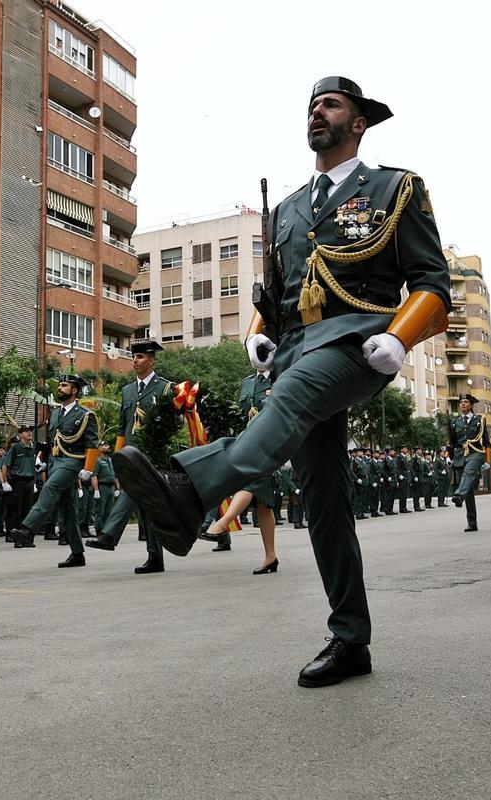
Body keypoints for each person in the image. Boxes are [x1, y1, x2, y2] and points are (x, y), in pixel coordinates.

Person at [112, 77, 450, 687]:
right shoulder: (290, 206)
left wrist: (400, 337)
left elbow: (432, 281)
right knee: (324, 500)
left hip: (358, 343)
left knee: (291, 402)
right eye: (313, 106)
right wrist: (257, 332)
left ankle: (188, 491)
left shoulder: (396, 188)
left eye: (331, 105)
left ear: (359, 123)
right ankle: (351, 640)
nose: (317, 114)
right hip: (296, 348)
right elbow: (279, 293)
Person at [84, 340, 173, 574]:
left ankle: (109, 534)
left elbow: (175, 423)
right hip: (131, 454)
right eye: (134, 357)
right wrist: (118, 457)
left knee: (133, 491)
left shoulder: (165, 388)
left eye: (141, 357)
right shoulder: (128, 391)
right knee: (148, 507)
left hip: (152, 454)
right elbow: (123, 428)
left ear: (152, 361)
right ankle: (155, 558)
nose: (135, 360)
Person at [10, 375, 99, 569]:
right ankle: (77, 554)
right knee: (68, 511)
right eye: (59, 385)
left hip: (73, 462)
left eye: (64, 385)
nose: (60, 388)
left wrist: (89, 469)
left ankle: (28, 529)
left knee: (49, 488)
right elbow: (51, 441)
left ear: (74, 390)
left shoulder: (85, 415)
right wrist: (42, 460)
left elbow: (93, 444)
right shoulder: (55, 414)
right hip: (55, 462)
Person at [200, 368, 281, 572]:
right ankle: (270, 557)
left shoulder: (280, 377)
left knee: (250, 482)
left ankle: (222, 523)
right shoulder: (247, 383)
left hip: (271, 441)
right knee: (264, 505)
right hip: (249, 439)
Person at [449, 393, 491, 532]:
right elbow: (453, 442)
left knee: (468, 474)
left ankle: (458, 495)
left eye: (466, 402)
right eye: (461, 402)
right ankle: (472, 523)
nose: (462, 404)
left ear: (471, 405)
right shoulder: (455, 422)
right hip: (460, 455)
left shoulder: (480, 421)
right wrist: (450, 457)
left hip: (475, 453)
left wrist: (488, 460)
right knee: (468, 491)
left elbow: (486, 442)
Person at [0, 427, 38, 537]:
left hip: (30, 481)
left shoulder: (33, 447)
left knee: (27, 510)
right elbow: (5, 466)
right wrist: (5, 482)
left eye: (30, 430)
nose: (29, 432)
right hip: (18, 481)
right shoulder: (16, 448)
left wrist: (34, 482)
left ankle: (24, 535)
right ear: (21, 435)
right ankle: (14, 535)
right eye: (26, 431)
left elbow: (33, 466)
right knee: (16, 510)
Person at [92, 443, 118, 537]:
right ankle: (99, 530)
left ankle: (106, 531)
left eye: (108, 445)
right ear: (99, 448)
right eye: (105, 445)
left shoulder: (110, 460)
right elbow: (94, 475)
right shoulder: (97, 461)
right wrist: (96, 490)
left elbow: (115, 475)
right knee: (100, 511)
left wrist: (117, 488)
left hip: (111, 487)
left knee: (109, 511)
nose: (108, 447)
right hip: (102, 487)